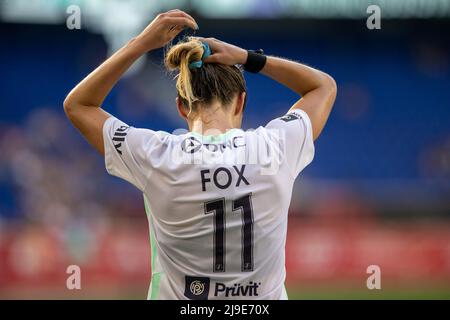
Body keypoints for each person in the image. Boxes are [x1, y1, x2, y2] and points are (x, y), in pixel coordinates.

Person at [64, 9, 337, 300]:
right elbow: (322, 86)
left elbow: (79, 105)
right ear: (241, 102)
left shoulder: (158, 156)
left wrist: (140, 44)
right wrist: (248, 57)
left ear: (181, 106)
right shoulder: (275, 147)